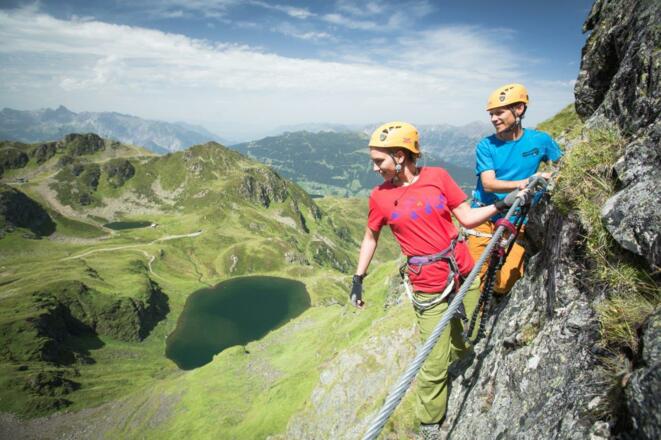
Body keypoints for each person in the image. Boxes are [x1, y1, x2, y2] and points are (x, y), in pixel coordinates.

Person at [349, 121, 529, 437]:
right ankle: (430, 423)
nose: (375, 168)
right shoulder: (379, 197)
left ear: (400, 156)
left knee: (469, 336)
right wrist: (358, 278)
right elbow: (370, 237)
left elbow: (467, 217)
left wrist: (503, 203)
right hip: (428, 285)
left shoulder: (438, 178)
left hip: (463, 269)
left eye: (379, 161)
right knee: (433, 361)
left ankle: (462, 363)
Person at [466, 84, 563, 295]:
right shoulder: (486, 145)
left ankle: (493, 306)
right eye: (491, 114)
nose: (493, 119)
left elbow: (563, 167)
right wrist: (526, 182)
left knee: (504, 283)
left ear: (519, 109)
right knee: (474, 278)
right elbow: (489, 183)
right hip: (485, 217)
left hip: (517, 219)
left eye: (499, 113)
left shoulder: (540, 140)